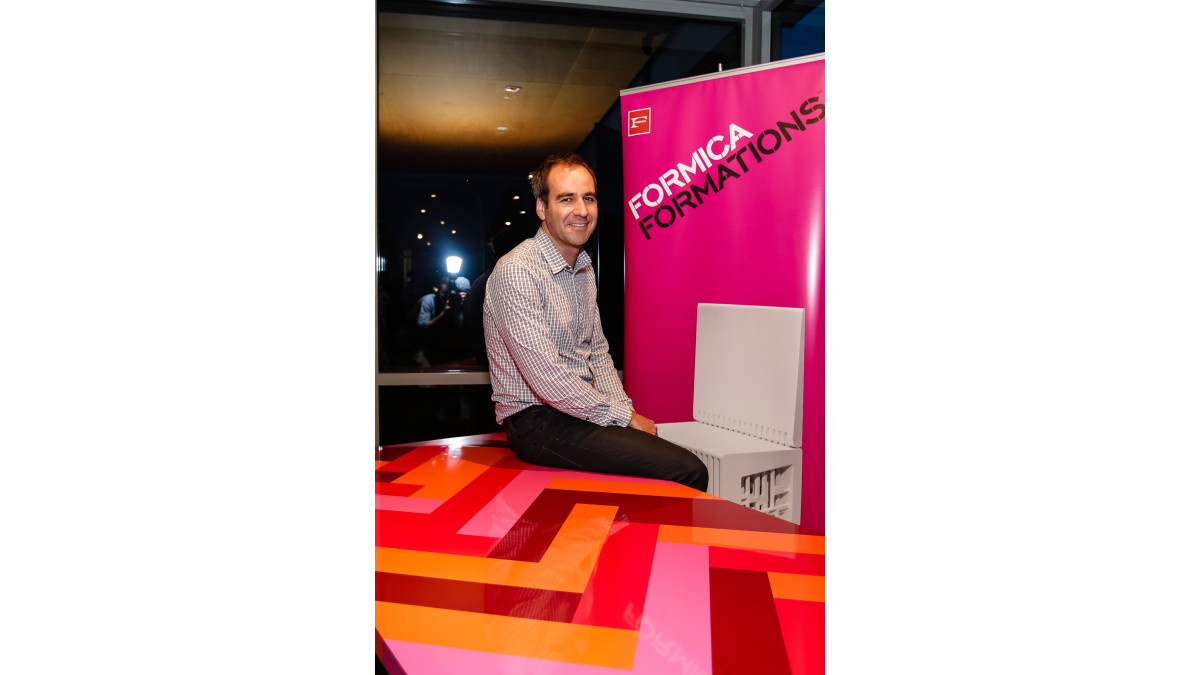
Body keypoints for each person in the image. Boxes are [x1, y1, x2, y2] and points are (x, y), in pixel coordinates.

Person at [482, 153, 708, 491]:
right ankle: (643, 544)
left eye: (588, 198)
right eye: (567, 199)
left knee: (670, 461)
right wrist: (623, 418)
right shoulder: (518, 270)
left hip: (576, 408)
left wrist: (622, 410)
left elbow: (598, 353)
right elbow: (548, 378)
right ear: (542, 208)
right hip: (534, 420)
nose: (582, 210)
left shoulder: (583, 269)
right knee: (687, 470)